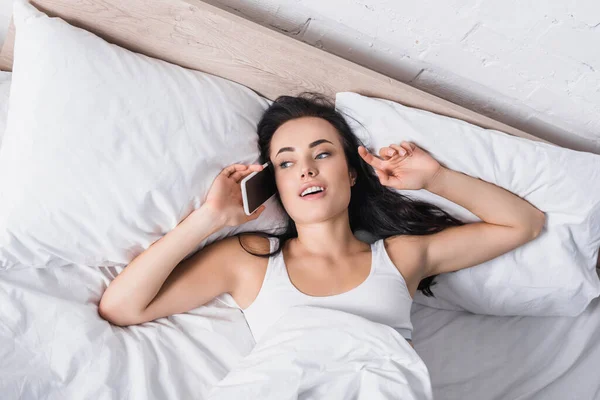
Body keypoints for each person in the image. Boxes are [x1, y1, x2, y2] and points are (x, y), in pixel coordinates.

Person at [98, 92, 546, 350]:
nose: (307, 169)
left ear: (351, 172)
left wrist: (434, 178)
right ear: (274, 182)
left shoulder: (401, 256)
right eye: (287, 163)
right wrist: (210, 218)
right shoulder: (247, 260)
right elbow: (121, 308)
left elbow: (523, 224)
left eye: (323, 153)